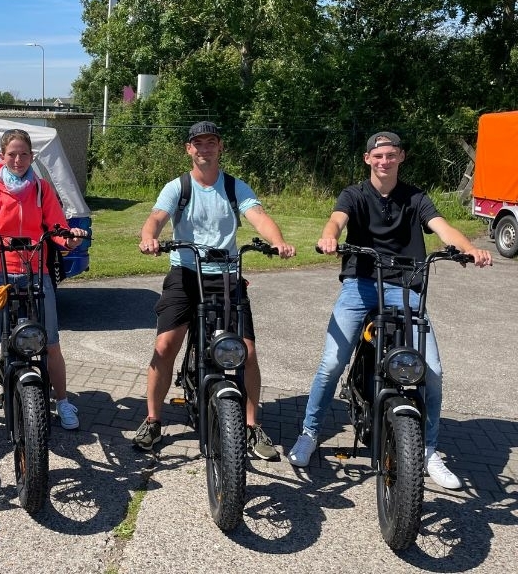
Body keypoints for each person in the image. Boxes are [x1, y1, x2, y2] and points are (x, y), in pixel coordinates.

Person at [287, 131, 492, 489]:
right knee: (332, 362)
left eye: (391, 155)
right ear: (367, 159)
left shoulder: (415, 197)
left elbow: (443, 228)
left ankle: (429, 450)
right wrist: (329, 237)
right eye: (378, 155)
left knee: (432, 370)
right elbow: (337, 219)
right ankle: (309, 432)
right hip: (361, 283)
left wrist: (467, 248)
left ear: (401, 157)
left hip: (405, 286)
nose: (384, 161)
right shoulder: (354, 194)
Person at [135, 121, 296, 458]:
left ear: (220, 147)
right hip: (185, 272)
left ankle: (252, 425)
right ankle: (152, 420)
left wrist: (278, 241)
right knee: (165, 345)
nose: (204, 149)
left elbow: (259, 217)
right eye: (198, 143)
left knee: (247, 352)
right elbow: (156, 218)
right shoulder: (177, 187)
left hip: (226, 276)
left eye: (211, 143)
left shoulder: (236, 187)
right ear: (188, 149)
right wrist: (149, 237)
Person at [0, 128, 87, 432]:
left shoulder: (41, 189)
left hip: (36, 272)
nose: (18, 159)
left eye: (24, 154)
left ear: (32, 156)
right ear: (2, 156)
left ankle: (62, 401)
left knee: (51, 343)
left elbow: (58, 228)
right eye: (12, 154)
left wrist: (69, 239)